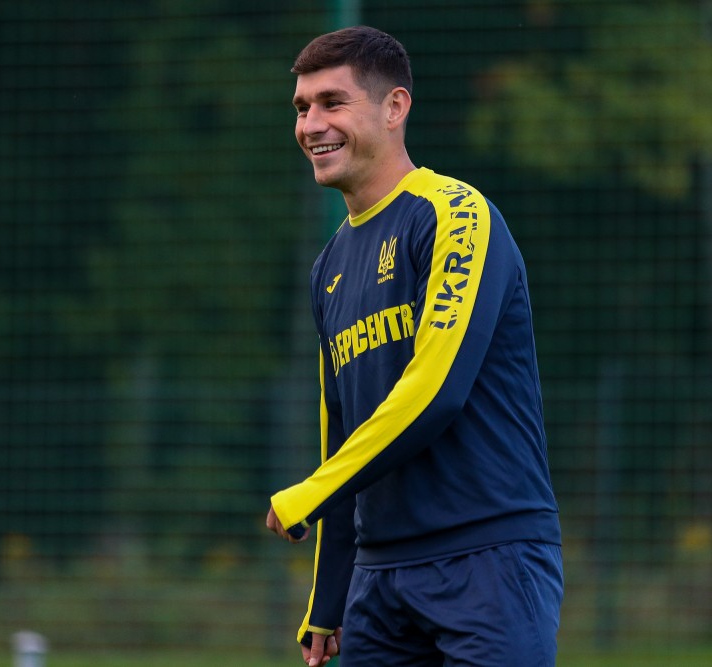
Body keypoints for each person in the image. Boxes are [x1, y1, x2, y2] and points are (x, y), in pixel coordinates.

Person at [266, 25, 563, 667]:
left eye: (332, 102)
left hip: (487, 558)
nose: (311, 125)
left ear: (394, 107)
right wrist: (328, 597)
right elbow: (342, 432)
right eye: (302, 107)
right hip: (379, 580)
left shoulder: (456, 214)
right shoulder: (327, 267)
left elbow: (435, 391)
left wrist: (310, 493)